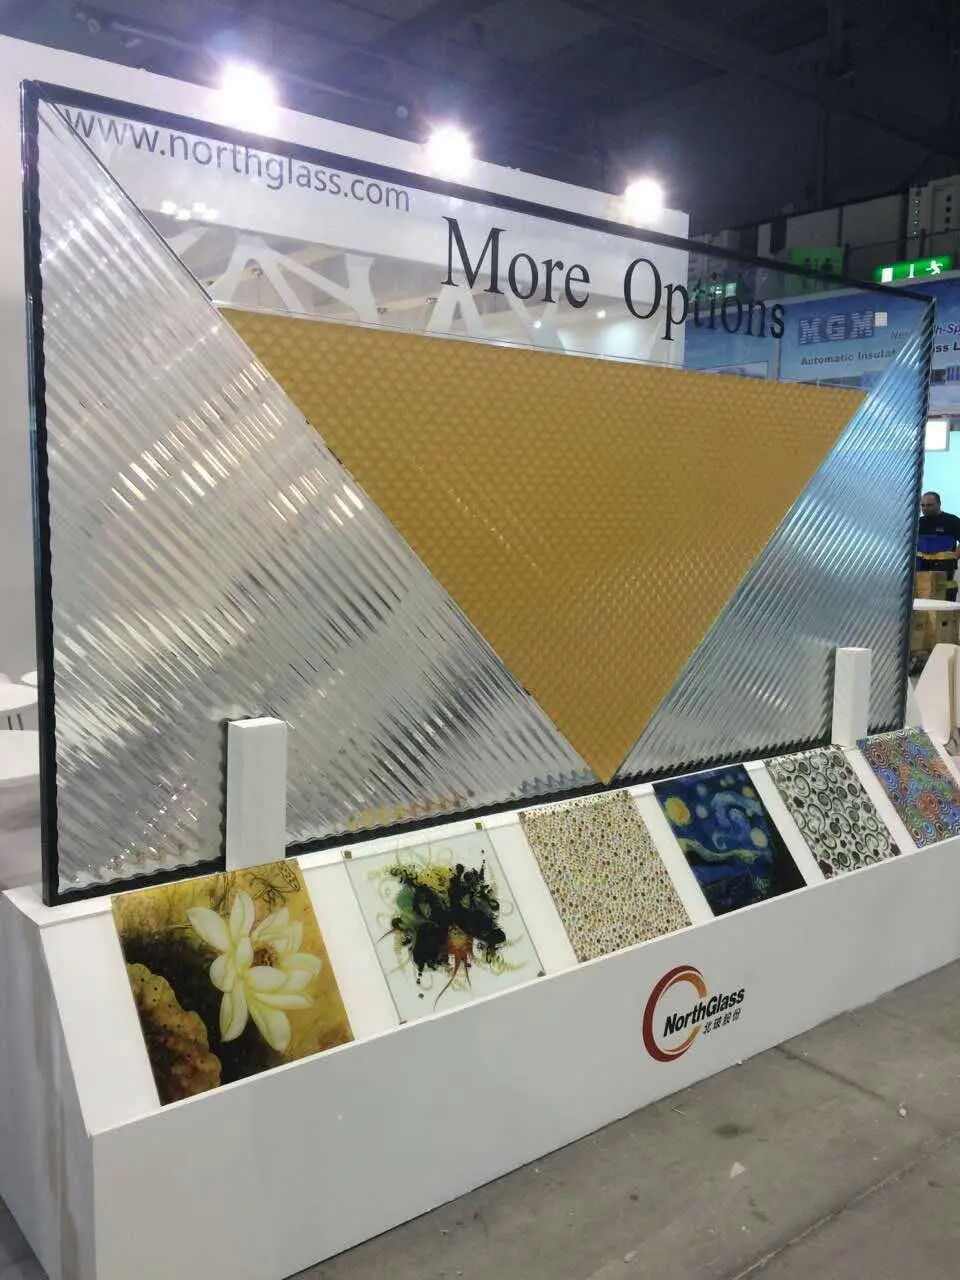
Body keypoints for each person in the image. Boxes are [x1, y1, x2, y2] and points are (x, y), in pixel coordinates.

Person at [917, 491, 960, 600]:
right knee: (922, 601)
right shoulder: (918, 523)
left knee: (942, 600)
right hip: (921, 570)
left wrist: (955, 556)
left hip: (943, 569)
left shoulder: (952, 521)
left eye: (929, 505)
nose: (925, 508)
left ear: (939, 504)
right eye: (923, 505)